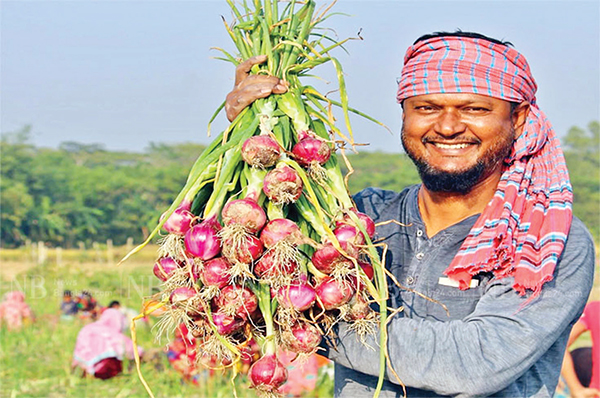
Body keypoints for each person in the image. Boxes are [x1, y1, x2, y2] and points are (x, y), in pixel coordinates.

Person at [224, 31, 596, 397]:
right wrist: (248, 134)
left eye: (474, 109)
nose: (448, 126)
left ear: (518, 119)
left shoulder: (544, 237)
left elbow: (476, 361)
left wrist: (300, 321)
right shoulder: (356, 218)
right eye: (426, 108)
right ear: (404, 115)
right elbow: (245, 263)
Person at [72, 308, 144, 380]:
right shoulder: (112, 333)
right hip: (109, 369)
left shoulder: (87, 328)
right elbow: (133, 349)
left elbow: (79, 350)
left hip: (87, 368)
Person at [559, 301, 600, 398]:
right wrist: (576, 388)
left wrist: (576, 388)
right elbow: (560, 345)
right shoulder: (595, 309)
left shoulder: (595, 308)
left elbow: (560, 345)